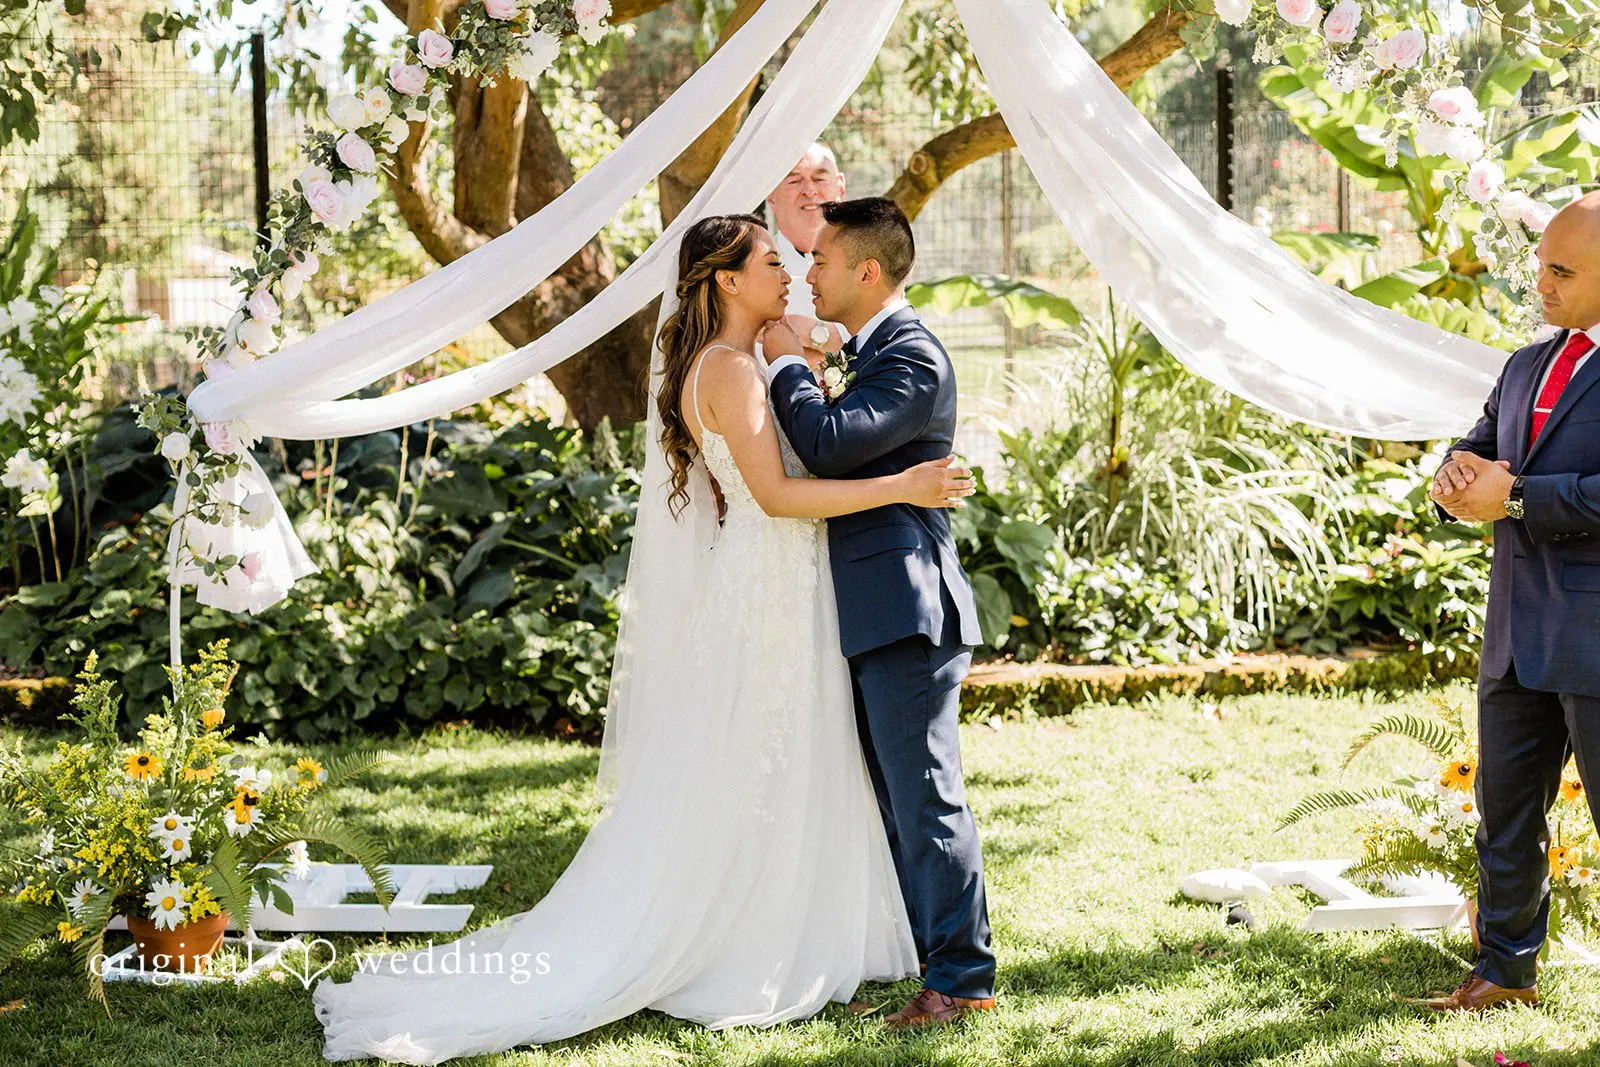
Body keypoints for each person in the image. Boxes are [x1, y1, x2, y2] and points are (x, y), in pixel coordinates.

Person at [311, 213, 977, 1064]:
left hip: (789, 586)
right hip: (772, 582)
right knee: (764, 760)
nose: (793, 273)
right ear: (728, 280)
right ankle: (753, 938)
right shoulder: (730, 369)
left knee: (794, 760)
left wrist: (802, 354)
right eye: (773, 261)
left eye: (802, 261)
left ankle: (814, 927)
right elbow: (779, 494)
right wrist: (904, 483)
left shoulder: (748, 359)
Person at [761, 197, 998, 1028]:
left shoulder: (912, 357)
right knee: (900, 802)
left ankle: (962, 979)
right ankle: (933, 964)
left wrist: (786, 364)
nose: (808, 272)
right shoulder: (870, 351)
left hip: (908, 606)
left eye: (821, 259)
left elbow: (828, 443)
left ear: (867, 271)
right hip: (876, 606)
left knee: (926, 799)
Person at [1427, 190, 1600, 1011]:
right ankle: (1504, 971)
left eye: (1561, 271)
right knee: (1505, 815)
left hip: (1594, 635)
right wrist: (1454, 475)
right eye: (1541, 265)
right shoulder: (1525, 364)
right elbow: (1480, 445)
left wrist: (1520, 497)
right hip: (1516, 631)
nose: (1542, 283)